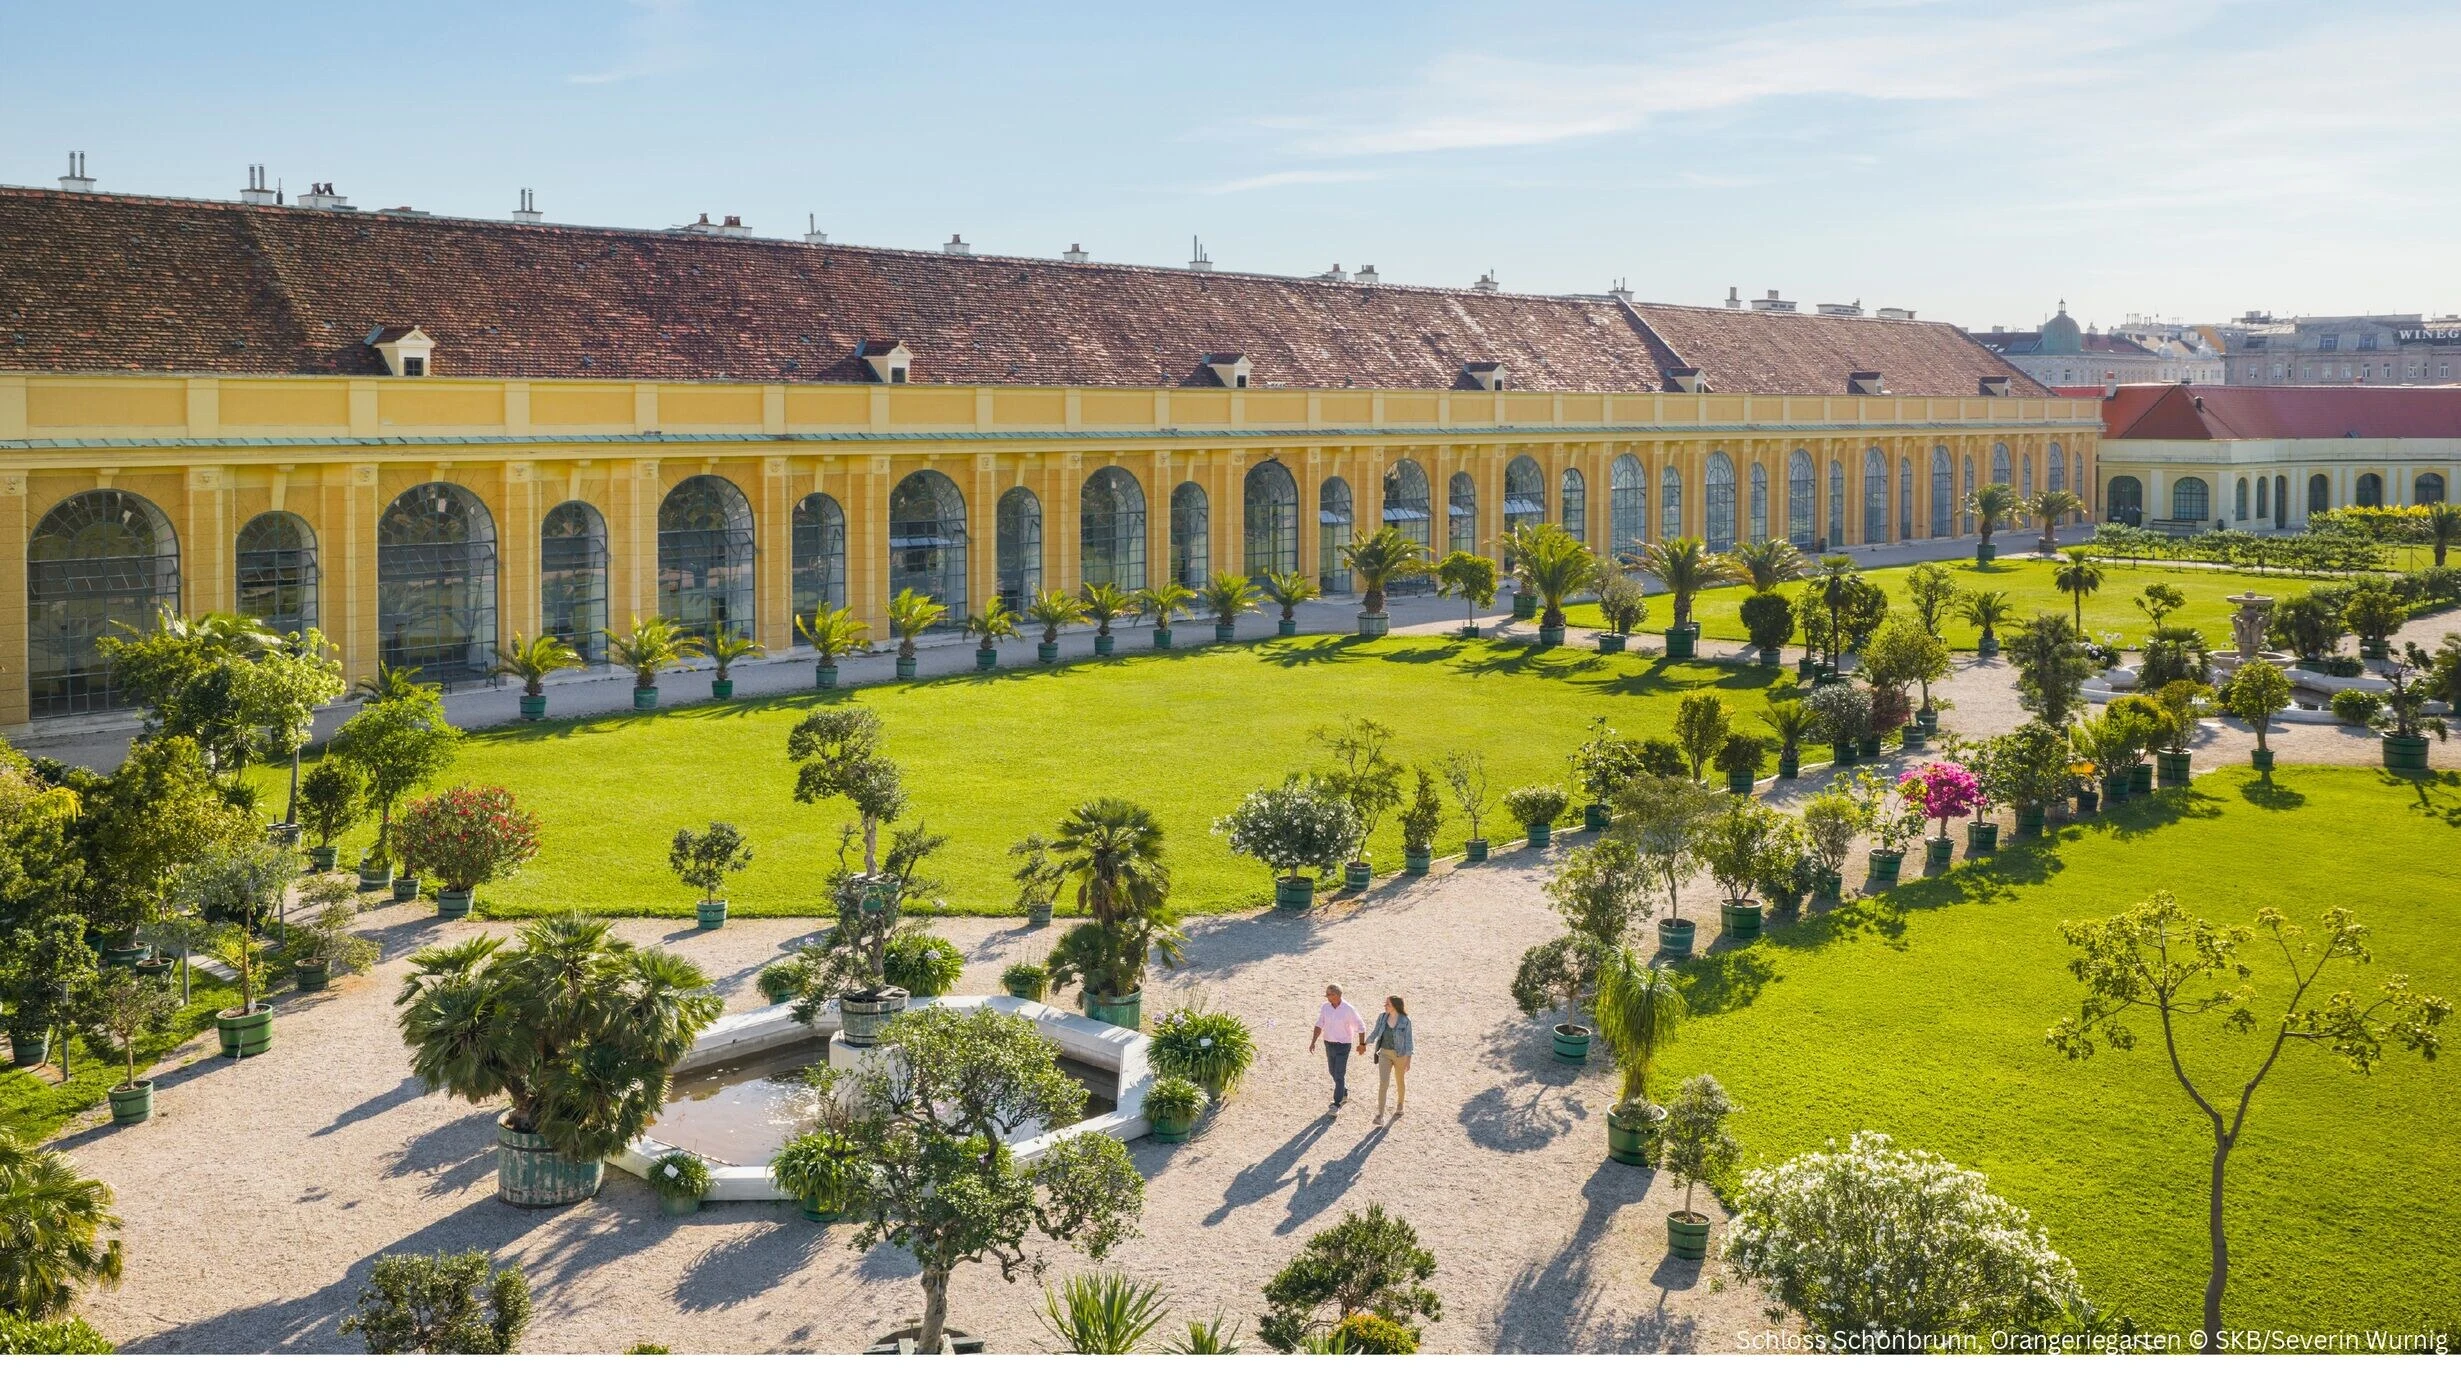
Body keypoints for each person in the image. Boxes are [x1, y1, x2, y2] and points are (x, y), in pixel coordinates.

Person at [1309, 984, 1368, 1109]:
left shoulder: (1348, 1009)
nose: (1327, 997)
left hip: (1343, 1045)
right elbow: (1319, 1024)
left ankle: (1336, 1103)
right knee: (1332, 1071)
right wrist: (1313, 1041)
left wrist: (1362, 1044)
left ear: (1337, 995)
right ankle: (1343, 1091)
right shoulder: (1325, 1007)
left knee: (1339, 1073)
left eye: (1329, 995)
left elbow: (1361, 1026)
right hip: (1328, 1043)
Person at [1368, 995, 1412, 1124]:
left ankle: (1400, 1104)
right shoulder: (1382, 1017)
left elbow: (1409, 1041)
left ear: (1395, 1006)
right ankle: (1380, 1115)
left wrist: (1409, 1059)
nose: (1385, 1006)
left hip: (1401, 1055)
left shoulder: (1405, 1020)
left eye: (1387, 1004)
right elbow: (1375, 1032)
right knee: (1383, 1083)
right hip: (1384, 1054)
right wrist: (1364, 1043)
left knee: (1400, 1081)